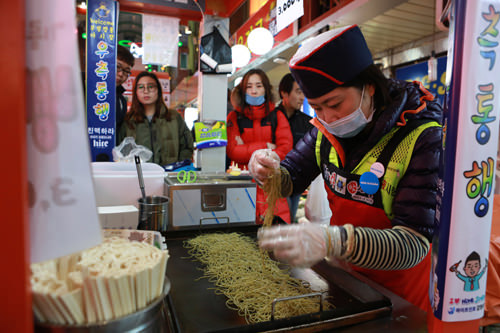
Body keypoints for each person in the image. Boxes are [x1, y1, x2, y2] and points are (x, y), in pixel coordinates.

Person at [249, 25, 443, 311]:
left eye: (334, 103)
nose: (327, 117)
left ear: (369, 87)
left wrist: (335, 240)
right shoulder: (324, 131)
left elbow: (412, 244)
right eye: (317, 108)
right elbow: (290, 178)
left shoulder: (421, 136)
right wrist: (268, 170)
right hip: (347, 283)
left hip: (402, 299)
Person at [227, 69, 293, 224]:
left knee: (277, 237)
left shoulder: (277, 116)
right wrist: (266, 146)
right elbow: (233, 152)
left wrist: (247, 148)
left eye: (258, 86)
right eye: (249, 87)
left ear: (266, 89)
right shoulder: (234, 118)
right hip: (242, 187)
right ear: (243, 91)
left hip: (272, 185)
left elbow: (285, 150)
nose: (254, 91)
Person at [118, 71, 194, 166]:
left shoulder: (174, 117)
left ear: (158, 90)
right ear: (136, 92)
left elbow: (187, 146)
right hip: (139, 177)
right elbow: (121, 153)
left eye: (151, 86)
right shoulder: (128, 121)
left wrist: (177, 167)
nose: (146, 91)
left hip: (168, 176)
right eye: (141, 87)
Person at [276, 73, 313, 222]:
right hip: (274, 183)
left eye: (303, 92)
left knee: (289, 220)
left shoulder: (307, 123)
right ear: (284, 93)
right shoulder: (270, 119)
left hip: (296, 185)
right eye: (298, 92)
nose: (302, 97)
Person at [116, 45, 135, 144]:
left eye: (126, 71)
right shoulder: (82, 86)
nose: (120, 74)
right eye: (117, 67)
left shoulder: (121, 101)